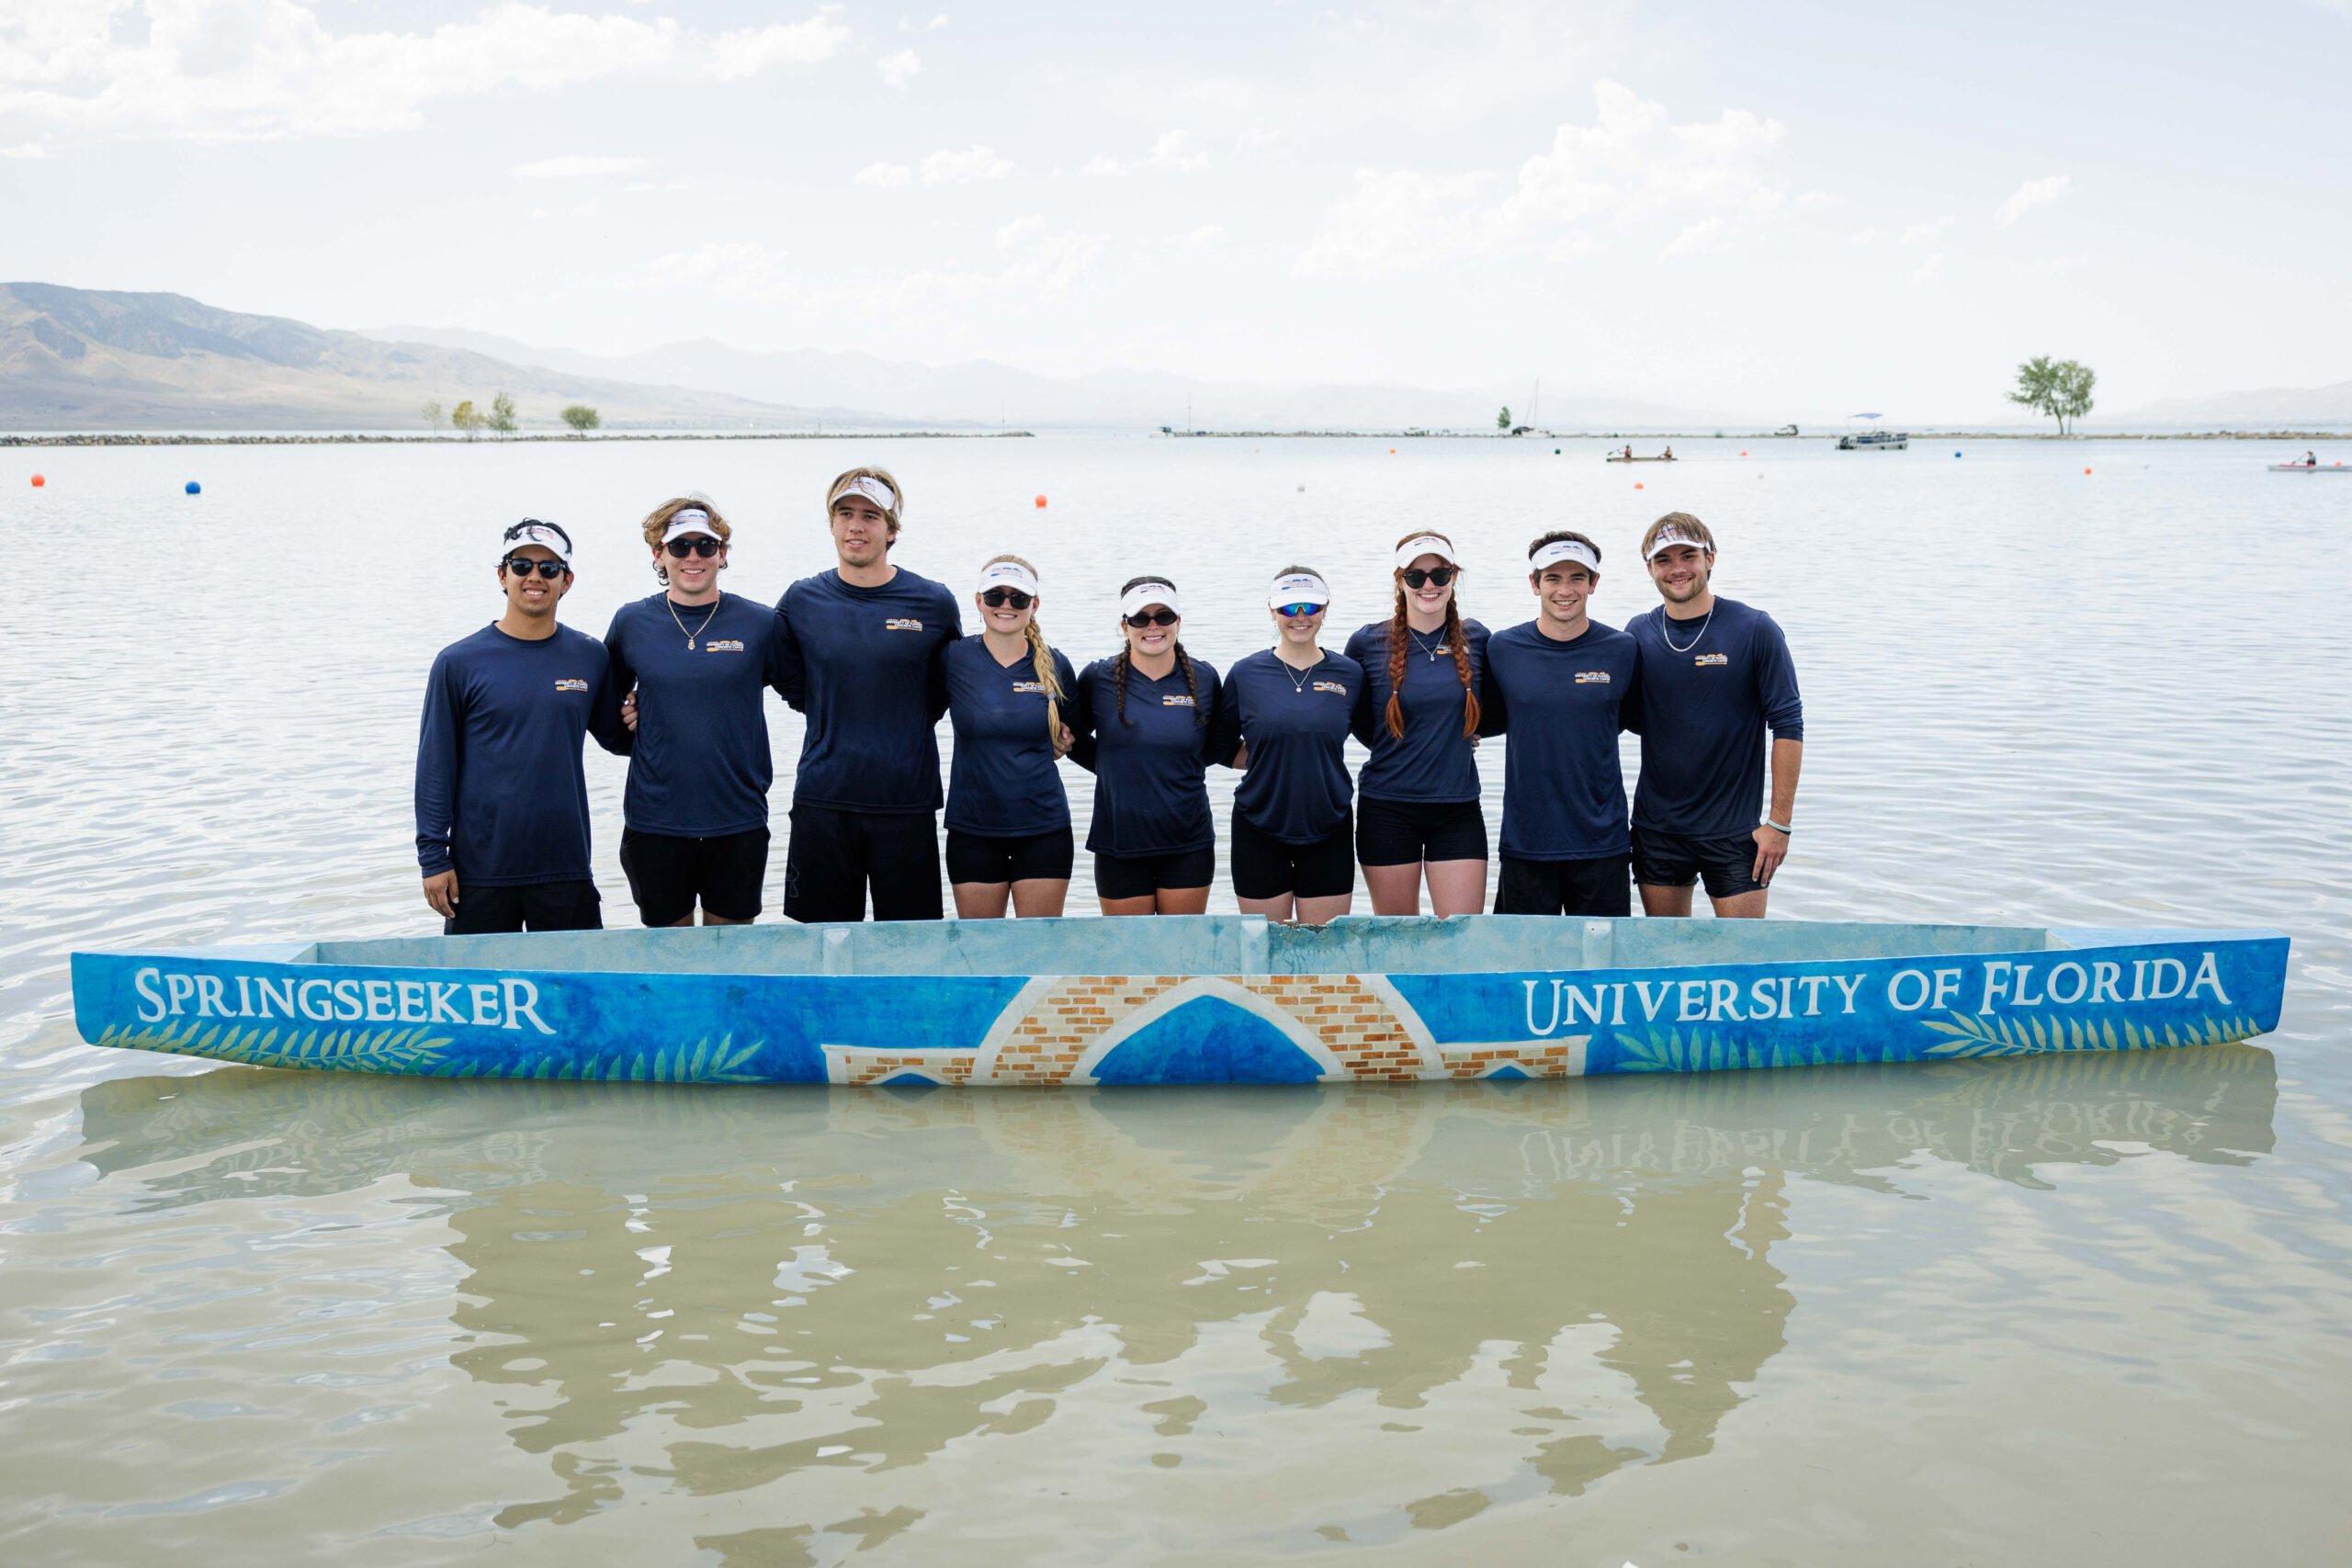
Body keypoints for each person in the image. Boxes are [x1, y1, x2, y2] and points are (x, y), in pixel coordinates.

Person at [415, 519, 628, 933]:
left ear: (566, 581)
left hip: (565, 866)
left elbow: (619, 738)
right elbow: (434, 768)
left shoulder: (590, 656)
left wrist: (652, 706)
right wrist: (433, 858)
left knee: (576, 994)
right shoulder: (458, 662)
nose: (535, 577)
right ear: (502, 575)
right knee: (476, 995)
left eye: (549, 569)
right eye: (522, 565)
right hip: (479, 873)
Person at [775, 468, 963, 922]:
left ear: (892, 530)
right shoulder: (801, 601)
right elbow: (792, 685)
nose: (856, 526)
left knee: (910, 950)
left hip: (906, 802)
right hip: (824, 800)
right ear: (833, 523)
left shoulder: (933, 603)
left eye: (870, 516)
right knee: (820, 949)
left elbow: (945, 690)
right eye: (845, 514)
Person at [604, 498, 795, 928]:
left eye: (706, 546)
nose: (693, 557)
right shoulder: (632, 622)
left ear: (722, 554)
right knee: (671, 961)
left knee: (730, 961)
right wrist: (631, 734)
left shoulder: (760, 624)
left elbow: (804, 693)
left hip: (737, 819)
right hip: (656, 821)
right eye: (680, 546)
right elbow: (604, 704)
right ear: (659, 554)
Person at [1623, 513, 1803, 919]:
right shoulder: (1638, 632)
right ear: (1649, 568)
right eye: (1664, 560)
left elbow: (1788, 724)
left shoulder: (1754, 628)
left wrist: (1779, 824)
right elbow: (1618, 717)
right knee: (1666, 961)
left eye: (1689, 555)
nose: (1678, 568)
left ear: (1711, 558)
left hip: (1736, 832)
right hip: (1657, 831)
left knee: (1743, 961)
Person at [1477, 531, 1641, 916]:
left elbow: (1629, 721)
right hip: (1526, 841)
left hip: (1603, 842)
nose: (1564, 590)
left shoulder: (1622, 648)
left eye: (1577, 578)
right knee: (1523, 968)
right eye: (1552, 578)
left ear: (1594, 583)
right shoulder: (1502, 648)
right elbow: (1485, 719)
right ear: (1534, 584)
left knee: (1603, 971)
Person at [1209, 568, 1368, 925]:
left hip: (1330, 823)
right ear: (1272, 610)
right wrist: (1271, 760)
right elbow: (1217, 746)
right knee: (1264, 950)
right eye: (1288, 608)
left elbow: (1376, 735)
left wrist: (1462, 732)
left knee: (1322, 952)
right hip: (1259, 825)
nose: (1300, 617)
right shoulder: (1245, 673)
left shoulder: (1350, 674)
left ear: (1325, 608)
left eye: (1310, 607)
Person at [1344, 532, 1489, 917]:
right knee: (1397, 939)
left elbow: (1495, 711)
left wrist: (1456, 731)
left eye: (1440, 575)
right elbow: (1360, 722)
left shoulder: (1478, 637)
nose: (1429, 585)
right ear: (1400, 580)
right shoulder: (1367, 642)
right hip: (1387, 807)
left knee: (1462, 934)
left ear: (1453, 578)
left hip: (1457, 807)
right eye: (1416, 576)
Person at [1064, 578, 1222, 916]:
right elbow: (1073, 741)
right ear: (1125, 626)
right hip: (1119, 841)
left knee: (1180, 957)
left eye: (1164, 616)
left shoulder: (1205, 678)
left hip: (1187, 841)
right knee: (1128, 960)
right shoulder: (1097, 677)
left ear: (1178, 622)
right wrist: (1116, 766)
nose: (1153, 626)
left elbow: (1215, 747)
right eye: (1140, 618)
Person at [941, 556, 1079, 919]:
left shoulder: (1056, 664)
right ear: (978, 601)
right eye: (995, 596)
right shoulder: (953, 658)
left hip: (1043, 828)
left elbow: (1076, 729)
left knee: (1038, 953)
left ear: (1034, 605)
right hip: (973, 828)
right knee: (982, 954)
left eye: (1018, 598)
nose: (1006, 605)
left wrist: (1064, 742)